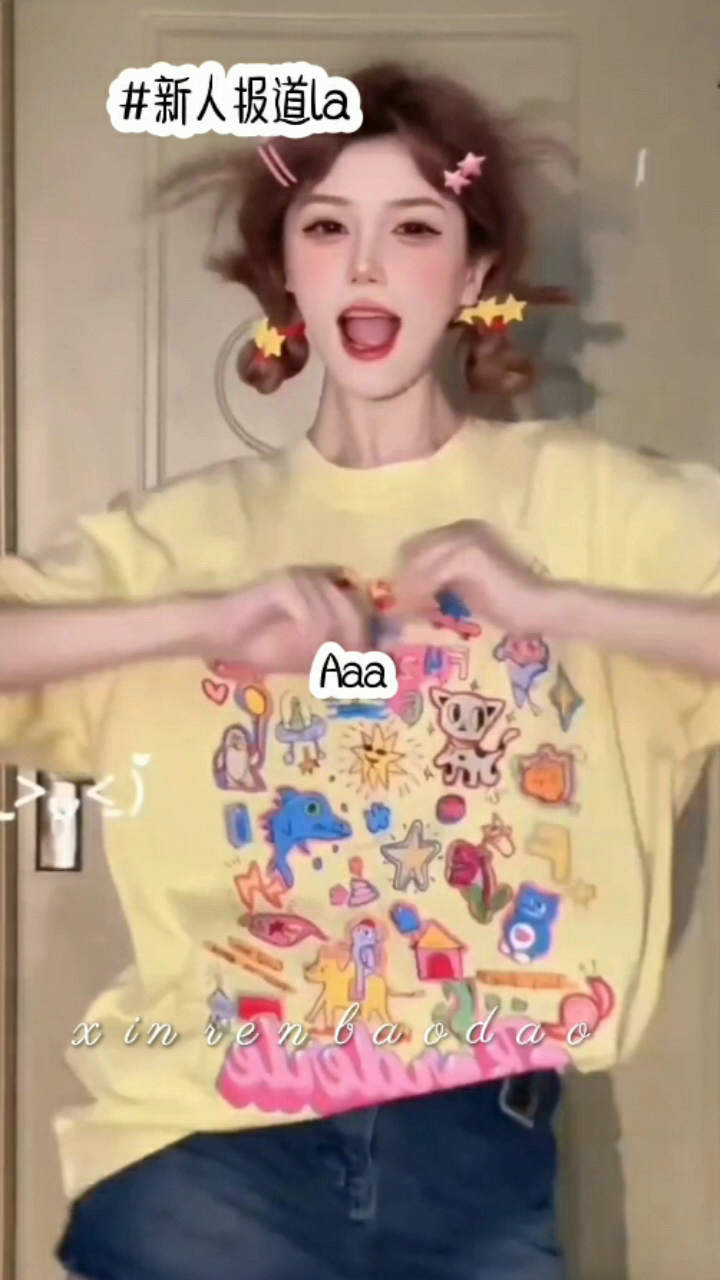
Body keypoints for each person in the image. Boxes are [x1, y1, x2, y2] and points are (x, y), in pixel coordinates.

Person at [1, 59, 719, 1280]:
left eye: (416, 228)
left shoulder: (595, 504)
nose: (369, 265)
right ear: (288, 270)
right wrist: (200, 621)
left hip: (482, 1156)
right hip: (204, 1155)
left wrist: (551, 604)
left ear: (475, 273)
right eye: (329, 227)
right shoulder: (180, 536)